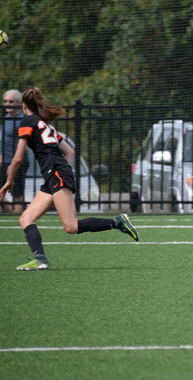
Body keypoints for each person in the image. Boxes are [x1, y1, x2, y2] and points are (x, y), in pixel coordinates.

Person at [0, 87, 140, 271]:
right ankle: (40, 259)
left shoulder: (27, 121)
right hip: (55, 174)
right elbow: (69, 152)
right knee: (26, 218)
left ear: (24, 106)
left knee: (71, 226)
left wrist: (9, 181)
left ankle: (117, 222)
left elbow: (18, 158)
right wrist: (62, 169)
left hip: (56, 174)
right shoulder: (47, 126)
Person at [1, 89, 29, 213]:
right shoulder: (7, 117)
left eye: (11, 101)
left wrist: (14, 163)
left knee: (17, 191)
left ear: (18, 103)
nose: (7, 104)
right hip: (5, 160)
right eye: (5, 101)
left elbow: (24, 144)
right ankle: (13, 212)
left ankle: (18, 214)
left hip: (17, 161)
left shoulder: (23, 120)